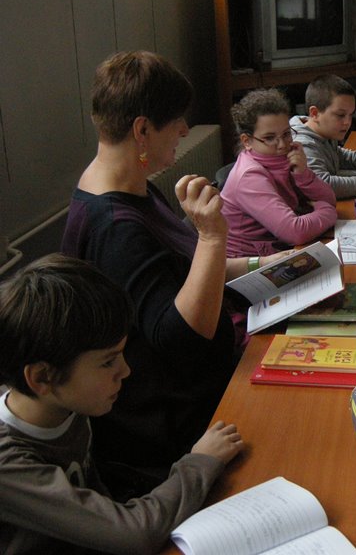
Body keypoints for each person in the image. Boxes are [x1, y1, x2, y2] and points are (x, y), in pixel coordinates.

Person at [61, 51, 281, 498]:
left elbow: (182, 270)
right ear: (142, 130)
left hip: (198, 400)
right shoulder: (116, 226)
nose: (184, 129)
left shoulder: (131, 187)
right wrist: (213, 236)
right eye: (177, 120)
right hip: (173, 431)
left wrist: (272, 265)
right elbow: (182, 340)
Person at [0, 254, 244, 554]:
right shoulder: (8, 464)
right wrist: (200, 462)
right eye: (108, 362)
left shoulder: (64, 403)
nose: (125, 371)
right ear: (42, 377)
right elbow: (135, 533)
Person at [221, 88, 337, 256]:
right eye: (269, 138)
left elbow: (329, 198)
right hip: (252, 263)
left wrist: (303, 174)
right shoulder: (249, 176)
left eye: (286, 134)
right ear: (247, 141)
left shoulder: (285, 157)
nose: (282, 144)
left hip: (279, 248)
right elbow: (295, 232)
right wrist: (327, 212)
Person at [291, 74, 356, 198]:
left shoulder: (325, 133)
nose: (347, 122)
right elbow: (323, 186)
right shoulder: (303, 145)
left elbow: (338, 156)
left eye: (351, 115)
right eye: (340, 115)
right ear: (315, 113)